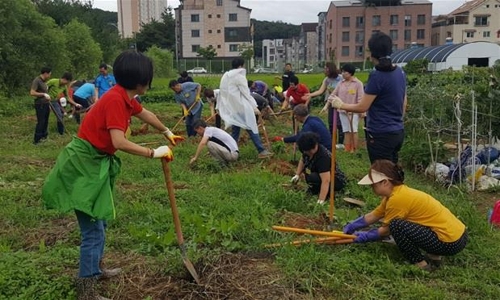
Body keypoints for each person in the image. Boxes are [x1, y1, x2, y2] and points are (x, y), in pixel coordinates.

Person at [42, 50, 184, 300]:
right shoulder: (117, 100)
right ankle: (85, 290)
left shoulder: (124, 96)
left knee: (100, 221)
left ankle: (95, 269)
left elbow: (145, 114)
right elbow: (119, 142)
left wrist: (166, 131)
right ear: (142, 80)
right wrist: (154, 153)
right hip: (83, 165)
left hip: (94, 162)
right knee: (92, 229)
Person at [343, 159, 468, 271]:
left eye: (373, 185)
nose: (372, 188)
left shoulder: (398, 199)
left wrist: (365, 236)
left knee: (396, 226)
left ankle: (421, 263)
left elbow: (386, 231)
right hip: (458, 235)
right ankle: (434, 256)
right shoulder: (396, 194)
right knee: (410, 222)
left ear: (385, 182)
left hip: (450, 242)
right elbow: (375, 214)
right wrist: (353, 225)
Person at [328, 32, 407, 163]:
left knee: (380, 176)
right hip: (397, 132)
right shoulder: (400, 72)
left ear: (371, 53)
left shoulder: (377, 76)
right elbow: (404, 102)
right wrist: (396, 121)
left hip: (380, 134)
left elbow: (363, 106)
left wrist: (340, 105)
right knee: (392, 172)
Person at [218, 57, 272, 158]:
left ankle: (229, 149)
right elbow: (246, 94)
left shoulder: (226, 76)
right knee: (251, 127)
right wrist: (254, 107)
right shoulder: (239, 76)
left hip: (233, 108)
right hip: (242, 107)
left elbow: (223, 92)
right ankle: (261, 150)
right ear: (241, 65)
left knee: (235, 131)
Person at [291, 132, 346, 204]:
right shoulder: (306, 151)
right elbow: (302, 160)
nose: (308, 152)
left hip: (335, 179)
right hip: (320, 175)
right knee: (309, 177)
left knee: (313, 178)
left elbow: (326, 180)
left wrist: (321, 200)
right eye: (306, 151)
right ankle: (316, 189)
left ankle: (326, 194)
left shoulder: (323, 157)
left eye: (310, 150)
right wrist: (297, 174)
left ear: (316, 144)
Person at [324, 64, 364, 153]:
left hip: (353, 111)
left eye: (344, 72)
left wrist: (360, 111)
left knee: (353, 130)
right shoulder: (341, 83)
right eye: (342, 72)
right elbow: (333, 94)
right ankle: (347, 148)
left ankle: (354, 149)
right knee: (346, 130)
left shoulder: (358, 83)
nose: (342, 74)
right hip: (342, 110)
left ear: (350, 73)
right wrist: (327, 105)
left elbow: (360, 98)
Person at [304, 62, 343, 146]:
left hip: (340, 103)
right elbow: (320, 91)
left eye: (326, 68)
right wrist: (310, 94)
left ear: (331, 69)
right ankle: (333, 141)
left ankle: (341, 142)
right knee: (331, 123)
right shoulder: (327, 80)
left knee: (339, 123)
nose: (325, 70)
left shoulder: (340, 78)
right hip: (330, 103)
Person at [30, 67, 52, 144]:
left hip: (46, 104)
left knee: (46, 121)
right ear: (45, 73)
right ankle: (37, 140)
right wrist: (43, 94)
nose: (49, 76)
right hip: (40, 105)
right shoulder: (37, 80)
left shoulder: (44, 82)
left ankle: (44, 137)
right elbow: (32, 92)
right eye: (49, 74)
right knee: (41, 122)